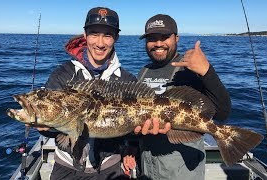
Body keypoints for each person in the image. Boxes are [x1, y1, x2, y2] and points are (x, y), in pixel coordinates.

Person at [38, 7, 138, 180]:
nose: (100, 43)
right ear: (84, 35)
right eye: (94, 34)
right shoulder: (62, 75)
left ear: (116, 38)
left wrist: (132, 145)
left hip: (110, 167)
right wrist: (44, 127)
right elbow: (52, 127)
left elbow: (133, 129)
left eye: (107, 35)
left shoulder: (127, 80)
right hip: (66, 167)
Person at [134, 14, 231, 180]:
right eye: (152, 38)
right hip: (147, 165)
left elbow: (222, 113)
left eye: (164, 37)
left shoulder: (191, 69)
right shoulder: (143, 71)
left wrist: (207, 72)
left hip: (181, 170)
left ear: (176, 38)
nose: (158, 44)